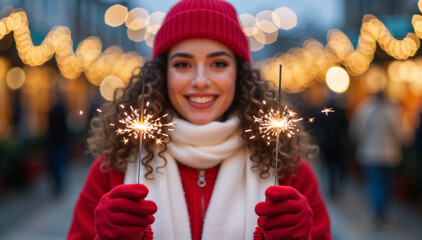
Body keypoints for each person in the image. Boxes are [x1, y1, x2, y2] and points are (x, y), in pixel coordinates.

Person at [67, 0, 331, 239]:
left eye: (218, 64)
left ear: (240, 75)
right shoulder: (113, 169)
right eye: (183, 64)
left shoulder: (289, 171)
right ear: (162, 75)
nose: (201, 81)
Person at [348, 91, 411, 228]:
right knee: (384, 184)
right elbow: (401, 133)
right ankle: (381, 213)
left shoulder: (365, 108)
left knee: (376, 183)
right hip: (388, 155)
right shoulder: (393, 110)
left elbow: (356, 130)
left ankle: (377, 212)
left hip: (372, 154)